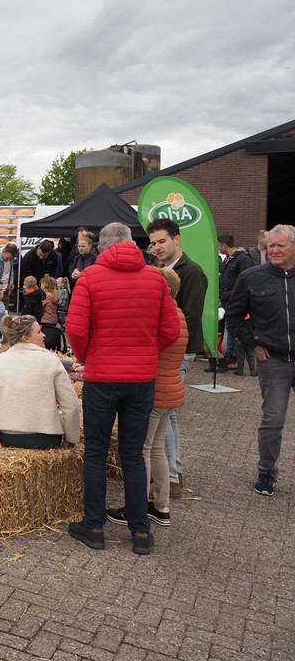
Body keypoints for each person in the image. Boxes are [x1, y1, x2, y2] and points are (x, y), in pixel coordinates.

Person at [65, 222, 179, 555]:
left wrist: (88, 356)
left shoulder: (89, 278)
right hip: (141, 380)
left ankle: (95, 526)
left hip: (102, 377)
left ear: (101, 247)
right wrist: (144, 351)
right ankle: (140, 532)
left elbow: (75, 327)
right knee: (132, 454)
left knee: (97, 452)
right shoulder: (155, 278)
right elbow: (170, 331)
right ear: (132, 243)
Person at [107, 267, 188, 528]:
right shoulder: (178, 313)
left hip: (155, 390)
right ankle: (161, 506)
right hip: (170, 389)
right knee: (156, 448)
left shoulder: (162, 316)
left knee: (141, 449)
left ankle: (136, 507)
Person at [225, 224, 295, 497]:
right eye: (270, 246)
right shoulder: (252, 277)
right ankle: (267, 471)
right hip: (274, 360)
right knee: (273, 420)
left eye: (281, 245)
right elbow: (233, 315)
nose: (275, 250)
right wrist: (252, 344)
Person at [147, 217, 207, 497]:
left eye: (162, 241)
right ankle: (173, 473)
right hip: (170, 351)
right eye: (154, 243)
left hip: (177, 351)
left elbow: (191, 317)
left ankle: (169, 477)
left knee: (162, 413)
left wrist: (175, 351)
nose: (157, 247)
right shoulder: (161, 268)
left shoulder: (191, 271)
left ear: (177, 239)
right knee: (167, 416)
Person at [0, 314, 80, 449]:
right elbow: (71, 405)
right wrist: (71, 438)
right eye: (39, 332)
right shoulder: (51, 361)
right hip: (45, 437)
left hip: (7, 436)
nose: (44, 335)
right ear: (25, 338)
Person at [218, 234, 254, 370]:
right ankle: (231, 354)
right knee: (229, 328)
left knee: (233, 328)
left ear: (223, 245)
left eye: (219, 245)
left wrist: (235, 296)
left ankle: (233, 356)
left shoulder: (242, 259)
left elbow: (245, 280)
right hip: (227, 297)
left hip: (235, 299)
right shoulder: (229, 259)